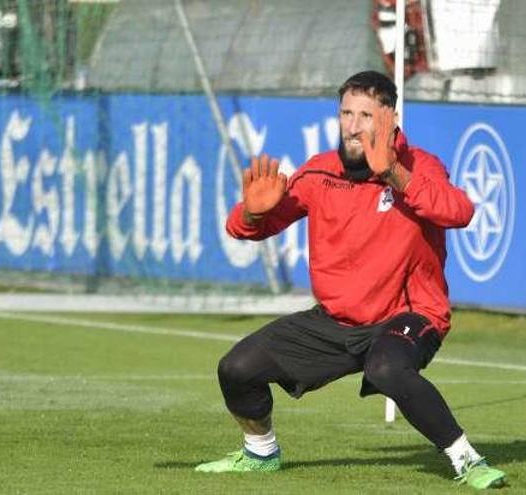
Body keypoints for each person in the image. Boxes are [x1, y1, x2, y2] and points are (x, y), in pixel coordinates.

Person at [194, 70, 506, 489]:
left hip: (410, 314)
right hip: (337, 320)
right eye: (346, 113)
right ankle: (260, 453)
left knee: (385, 368)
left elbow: (459, 211)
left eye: (365, 114)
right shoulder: (320, 173)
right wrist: (252, 213)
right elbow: (244, 229)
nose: (353, 125)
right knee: (236, 368)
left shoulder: (420, 166)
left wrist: (394, 173)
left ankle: (467, 460)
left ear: (390, 119)